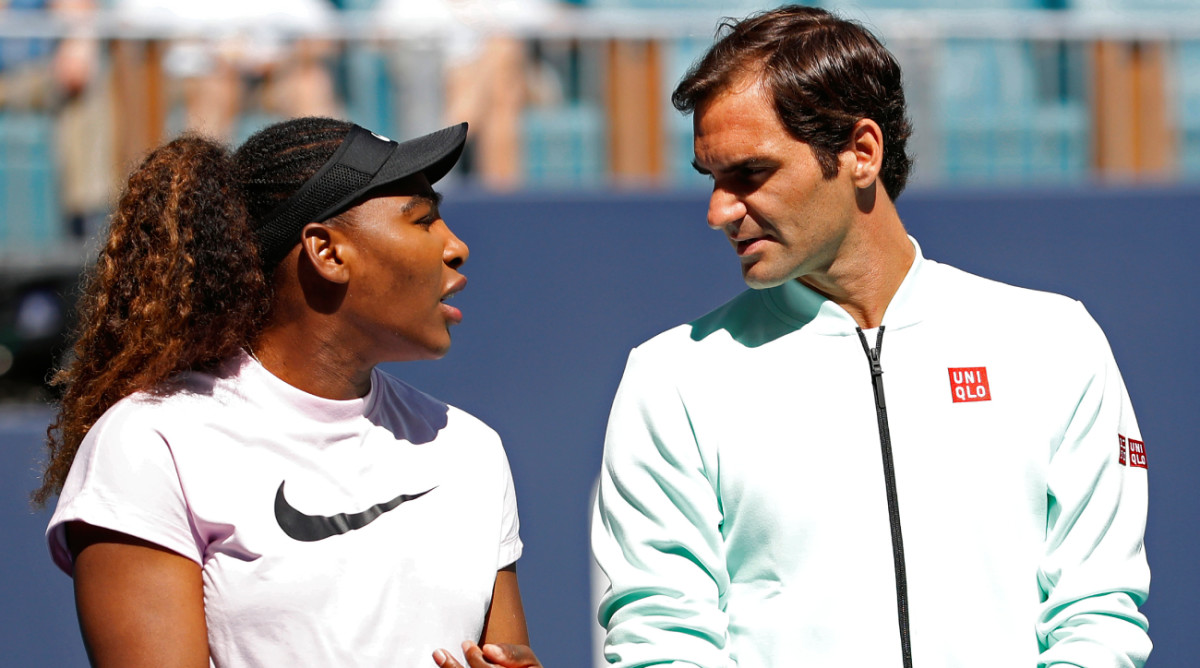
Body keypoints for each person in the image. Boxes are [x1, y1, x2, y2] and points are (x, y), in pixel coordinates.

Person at [590, 6, 1151, 668]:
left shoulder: (1055, 342)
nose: (718, 211)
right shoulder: (670, 378)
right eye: (711, 178)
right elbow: (662, 638)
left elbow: (1098, 612)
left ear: (861, 152)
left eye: (750, 174)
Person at [34, 116, 543, 668]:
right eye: (423, 221)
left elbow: (509, 652)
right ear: (327, 252)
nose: (457, 247)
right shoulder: (151, 443)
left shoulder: (472, 451)